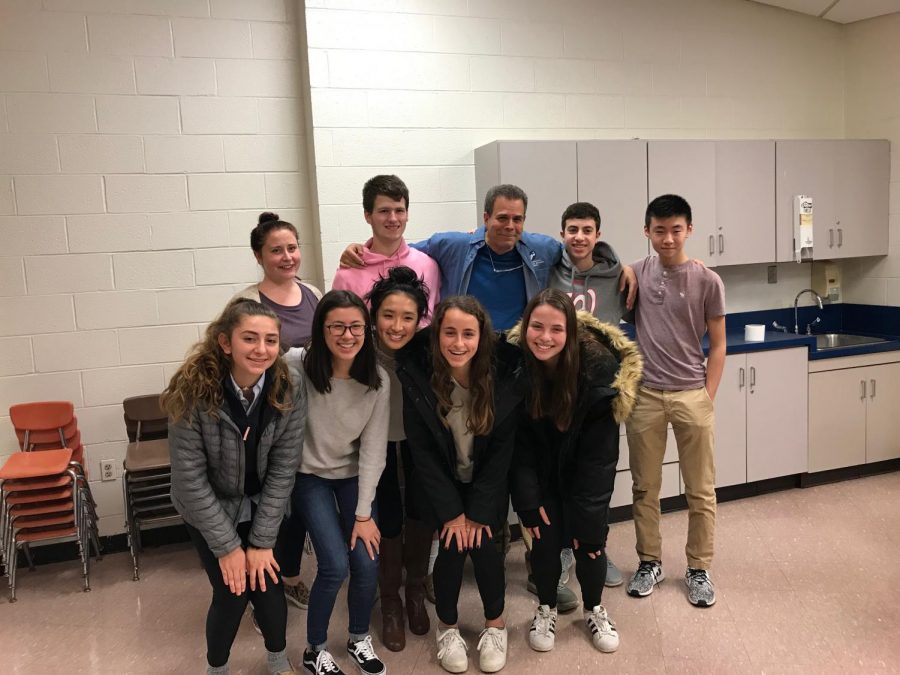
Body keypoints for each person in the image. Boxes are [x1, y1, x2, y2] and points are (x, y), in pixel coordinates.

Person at [163, 298, 305, 675]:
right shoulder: (191, 390)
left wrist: (260, 543)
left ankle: (278, 660)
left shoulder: (290, 386)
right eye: (250, 338)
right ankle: (217, 668)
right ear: (226, 343)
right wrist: (228, 548)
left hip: (262, 502)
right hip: (210, 505)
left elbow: (283, 469)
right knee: (232, 591)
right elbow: (189, 480)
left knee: (268, 586)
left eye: (271, 340)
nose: (262, 349)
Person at [509, 289, 642, 654]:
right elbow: (518, 450)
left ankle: (594, 609)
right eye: (537, 326)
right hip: (541, 476)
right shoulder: (516, 368)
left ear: (569, 333)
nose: (545, 337)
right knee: (545, 545)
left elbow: (600, 460)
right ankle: (546, 608)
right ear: (525, 328)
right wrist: (528, 503)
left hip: (584, 477)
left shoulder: (598, 374)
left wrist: (588, 516)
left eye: (556, 329)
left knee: (591, 546)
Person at [396, 296, 523, 674]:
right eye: (449, 332)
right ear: (436, 336)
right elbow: (423, 453)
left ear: (482, 338)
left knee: (484, 545)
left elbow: (502, 452)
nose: (458, 342)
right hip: (442, 484)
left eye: (468, 334)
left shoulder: (502, 378)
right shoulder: (420, 376)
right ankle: (447, 628)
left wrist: (479, 511)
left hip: (487, 482)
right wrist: (452, 514)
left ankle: (495, 625)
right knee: (451, 547)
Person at [624, 194, 726, 607]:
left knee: (700, 490)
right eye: (659, 230)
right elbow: (594, 257)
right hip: (646, 395)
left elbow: (718, 346)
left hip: (691, 395)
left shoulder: (707, 280)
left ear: (689, 230)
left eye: (676, 230)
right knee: (644, 487)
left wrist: (707, 396)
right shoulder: (633, 273)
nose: (668, 239)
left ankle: (698, 568)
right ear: (646, 231)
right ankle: (650, 561)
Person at [527, 201, 631, 594]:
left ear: (598, 234)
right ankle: (561, 555)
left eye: (587, 230)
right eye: (572, 229)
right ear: (562, 233)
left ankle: (594, 548)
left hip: (599, 390)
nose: (580, 237)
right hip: (554, 387)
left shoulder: (617, 277)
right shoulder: (549, 271)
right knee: (555, 473)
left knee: (595, 476)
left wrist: (631, 270)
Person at [290, 290, 390, 675]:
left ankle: (358, 638)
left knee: (366, 561)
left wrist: (364, 514)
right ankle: (315, 650)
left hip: (352, 476)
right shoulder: (296, 365)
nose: (347, 335)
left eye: (356, 327)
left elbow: (373, 452)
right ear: (321, 329)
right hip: (309, 476)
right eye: (337, 327)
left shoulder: (377, 379)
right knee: (333, 565)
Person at [233, 211, 323, 612]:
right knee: (276, 503)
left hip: (315, 417)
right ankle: (262, 590)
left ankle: (289, 577)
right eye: (276, 250)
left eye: (292, 247)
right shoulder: (246, 303)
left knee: (302, 501)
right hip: (271, 419)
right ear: (258, 256)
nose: (287, 256)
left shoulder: (315, 295)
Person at [364, 267, 435, 651]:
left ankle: (415, 593)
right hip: (376, 449)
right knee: (388, 519)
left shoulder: (425, 350)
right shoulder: (359, 351)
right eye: (388, 315)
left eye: (408, 317)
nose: (397, 325)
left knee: (421, 515)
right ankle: (389, 601)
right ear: (374, 315)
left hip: (418, 443)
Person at [332, 174, 441, 323]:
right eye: (384, 211)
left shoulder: (428, 266)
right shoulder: (347, 274)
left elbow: (433, 320)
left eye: (399, 211)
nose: (393, 218)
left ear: (407, 214)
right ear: (367, 216)